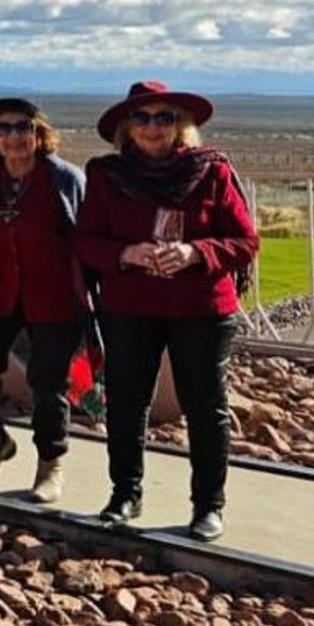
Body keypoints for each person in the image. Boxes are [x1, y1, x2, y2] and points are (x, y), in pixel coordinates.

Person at [75, 81, 258, 542]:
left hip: (200, 307)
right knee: (126, 400)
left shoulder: (211, 172)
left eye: (164, 117)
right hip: (129, 305)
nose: (153, 127)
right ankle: (124, 494)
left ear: (182, 125)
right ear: (127, 128)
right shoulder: (106, 175)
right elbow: (85, 241)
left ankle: (208, 505)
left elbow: (245, 241)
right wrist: (126, 253)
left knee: (204, 404)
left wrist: (196, 253)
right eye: (142, 118)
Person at [0, 99, 88, 503]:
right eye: (3, 128)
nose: (13, 136)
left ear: (37, 131)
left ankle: (51, 464)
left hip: (54, 298)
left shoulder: (64, 180)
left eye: (21, 127)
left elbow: (87, 237)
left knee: (48, 383)